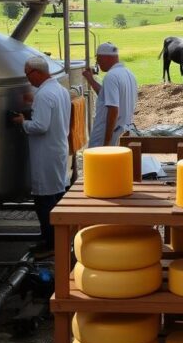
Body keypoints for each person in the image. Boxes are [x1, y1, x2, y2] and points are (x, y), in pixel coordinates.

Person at [12, 56, 71, 258]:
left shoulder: (45, 95)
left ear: (37, 72)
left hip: (45, 153)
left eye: (28, 75)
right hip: (58, 149)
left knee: (44, 201)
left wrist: (22, 122)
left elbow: (40, 126)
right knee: (57, 197)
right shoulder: (60, 90)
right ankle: (58, 239)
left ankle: (51, 244)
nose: (28, 80)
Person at [82, 42, 138, 148]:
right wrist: (91, 80)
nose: (97, 63)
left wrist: (107, 142)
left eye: (98, 59)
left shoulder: (111, 77)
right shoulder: (128, 74)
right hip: (124, 131)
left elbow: (113, 110)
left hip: (109, 135)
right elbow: (106, 96)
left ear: (106, 57)